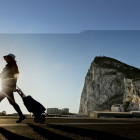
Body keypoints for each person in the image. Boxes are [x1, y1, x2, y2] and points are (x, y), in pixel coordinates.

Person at [0, 54, 26, 123]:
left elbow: (16, 76)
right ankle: (21, 115)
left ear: (11, 58)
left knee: (11, 102)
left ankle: (21, 115)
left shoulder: (13, 66)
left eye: (8, 58)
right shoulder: (8, 66)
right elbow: (2, 75)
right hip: (6, 86)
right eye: (6, 58)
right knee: (12, 102)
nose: (6, 59)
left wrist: (14, 86)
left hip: (8, 87)